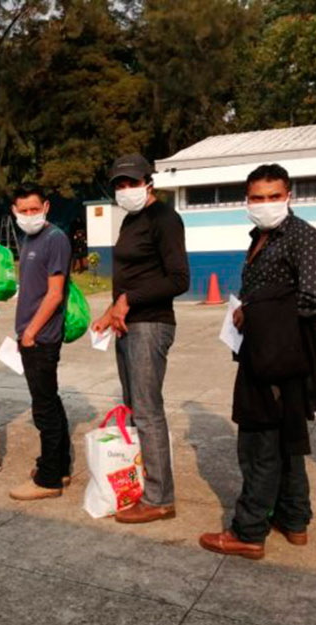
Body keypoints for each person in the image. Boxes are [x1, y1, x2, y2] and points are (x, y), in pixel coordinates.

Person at [199, 164, 316, 560]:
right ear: (247, 200)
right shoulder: (260, 237)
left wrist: (255, 311)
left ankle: (248, 531)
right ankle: (293, 519)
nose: (265, 205)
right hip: (264, 349)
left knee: (259, 441)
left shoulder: (304, 237)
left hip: (281, 354)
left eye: (273, 196)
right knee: (285, 439)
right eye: (257, 198)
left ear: (288, 196)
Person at [92, 153, 189, 524]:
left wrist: (128, 301)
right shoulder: (133, 220)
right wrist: (110, 311)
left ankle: (160, 497)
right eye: (119, 184)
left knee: (147, 412)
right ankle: (142, 483)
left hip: (151, 324)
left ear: (149, 181)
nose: (125, 189)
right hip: (129, 323)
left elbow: (179, 279)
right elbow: (132, 276)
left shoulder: (164, 218)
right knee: (135, 407)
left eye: (132, 182)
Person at [7, 184, 73, 500]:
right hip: (32, 335)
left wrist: (31, 332)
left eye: (35, 209)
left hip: (42, 338)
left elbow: (55, 292)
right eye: (24, 211)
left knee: (43, 408)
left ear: (45, 206)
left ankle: (48, 481)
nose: (30, 215)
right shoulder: (29, 238)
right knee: (50, 401)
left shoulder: (55, 239)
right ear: (14, 211)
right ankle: (58, 466)